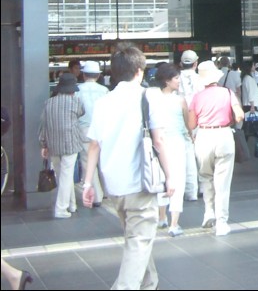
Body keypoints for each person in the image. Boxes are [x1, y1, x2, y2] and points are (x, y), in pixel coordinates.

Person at [81, 43, 174, 289]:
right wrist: (170, 177)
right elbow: (159, 140)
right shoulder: (149, 95)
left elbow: (94, 146)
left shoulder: (103, 102)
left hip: (114, 187)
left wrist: (88, 184)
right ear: (139, 72)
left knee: (137, 240)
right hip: (140, 183)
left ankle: (150, 283)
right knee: (139, 242)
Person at [188, 60, 244, 236]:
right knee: (223, 182)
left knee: (206, 178)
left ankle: (208, 212)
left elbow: (191, 124)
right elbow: (240, 115)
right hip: (224, 135)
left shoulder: (197, 97)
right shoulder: (227, 93)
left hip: (204, 136)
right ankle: (221, 222)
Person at [150, 63, 192, 237]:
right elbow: (188, 123)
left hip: (159, 142)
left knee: (162, 179)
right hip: (176, 142)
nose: (179, 81)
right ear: (167, 80)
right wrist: (191, 135)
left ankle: (161, 218)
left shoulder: (153, 99)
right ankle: (174, 223)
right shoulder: (180, 100)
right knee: (177, 180)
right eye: (176, 78)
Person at [39, 72, 84, 218]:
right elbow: (81, 113)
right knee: (66, 175)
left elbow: (43, 126)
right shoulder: (76, 102)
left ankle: (71, 204)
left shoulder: (48, 103)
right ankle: (60, 209)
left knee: (62, 176)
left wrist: (43, 145)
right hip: (70, 142)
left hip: (53, 144)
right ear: (72, 90)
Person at [77, 61, 109, 207]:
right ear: (98, 75)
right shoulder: (104, 90)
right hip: (103, 128)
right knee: (104, 160)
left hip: (84, 129)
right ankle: (108, 191)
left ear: (83, 74)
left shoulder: (77, 90)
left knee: (87, 161)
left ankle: (96, 197)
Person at [177, 49, 202, 202]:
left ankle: (191, 191)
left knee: (188, 156)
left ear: (181, 63)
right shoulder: (201, 79)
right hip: (199, 120)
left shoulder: (175, 79)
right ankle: (204, 188)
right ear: (196, 63)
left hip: (181, 121)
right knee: (201, 155)